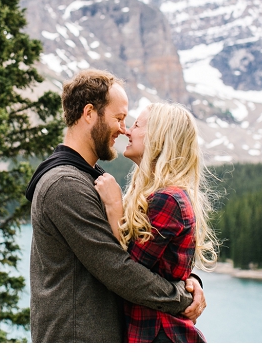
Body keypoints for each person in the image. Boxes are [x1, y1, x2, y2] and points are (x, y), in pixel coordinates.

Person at [26, 69, 206, 342]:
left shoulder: (89, 179)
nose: (124, 129)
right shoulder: (66, 185)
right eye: (119, 119)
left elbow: (143, 253)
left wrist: (190, 279)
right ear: (89, 114)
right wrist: (183, 296)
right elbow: (118, 268)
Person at [94, 102, 218, 343]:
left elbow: (126, 270)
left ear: (158, 138)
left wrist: (113, 207)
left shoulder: (167, 199)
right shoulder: (161, 195)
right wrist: (191, 283)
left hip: (160, 335)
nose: (127, 131)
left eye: (137, 125)